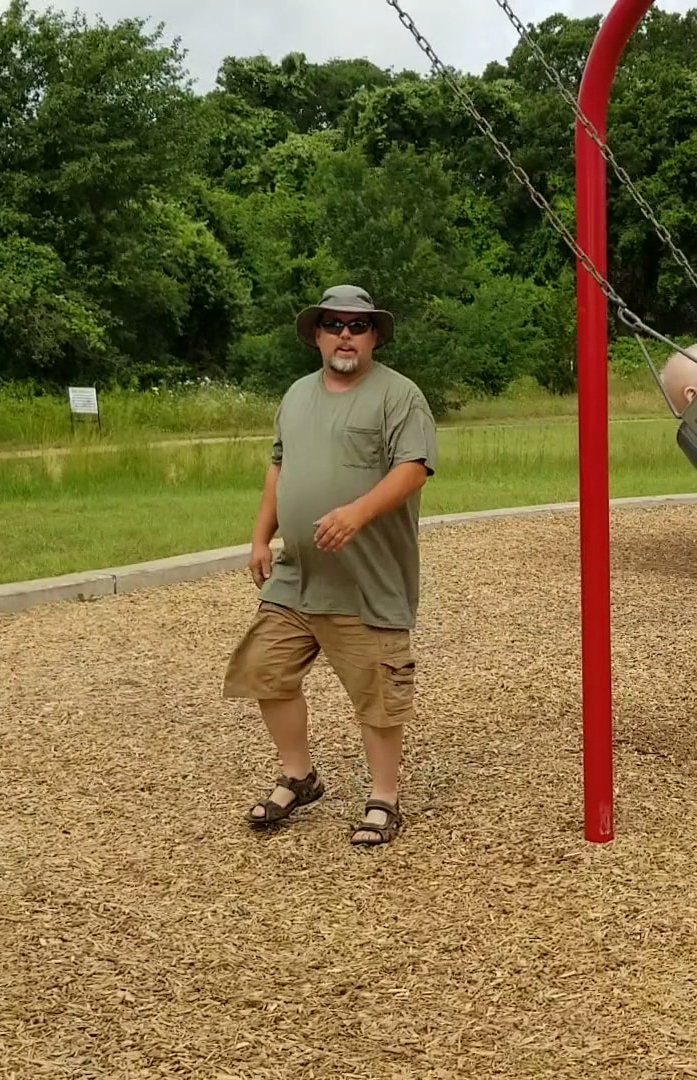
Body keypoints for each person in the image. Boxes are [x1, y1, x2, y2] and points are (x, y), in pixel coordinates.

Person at [223, 284, 438, 847]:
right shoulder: (295, 395)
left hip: (367, 579)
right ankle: (299, 776)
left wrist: (356, 513)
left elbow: (413, 468)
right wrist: (259, 538)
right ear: (316, 334)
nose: (346, 334)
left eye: (358, 325)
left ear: (374, 337)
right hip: (296, 575)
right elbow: (278, 468)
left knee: (376, 692)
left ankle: (384, 798)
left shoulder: (399, 395)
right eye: (334, 324)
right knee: (267, 670)